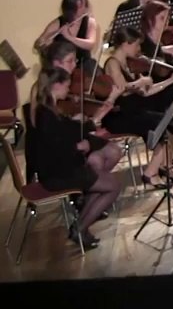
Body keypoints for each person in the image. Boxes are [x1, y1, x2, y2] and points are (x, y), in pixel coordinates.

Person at [26, 66, 124, 250]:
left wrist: (80, 137)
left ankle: (80, 226)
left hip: (59, 168)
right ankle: (79, 228)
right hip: (58, 174)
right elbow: (58, 145)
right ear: (56, 85)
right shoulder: (46, 114)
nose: (69, 89)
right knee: (113, 187)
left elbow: (62, 133)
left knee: (103, 180)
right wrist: (78, 146)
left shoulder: (45, 109)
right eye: (67, 85)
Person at [102, 27, 173, 187]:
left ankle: (162, 167)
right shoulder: (112, 64)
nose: (138, 49)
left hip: (134, 111)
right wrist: (139, 82)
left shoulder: (130, 64)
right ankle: (151, 173)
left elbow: (146, 92)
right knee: (164, 127)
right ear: (125, 45)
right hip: (119, 116)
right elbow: (122, 90)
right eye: (136, 45)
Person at [35, 0, 100, 72]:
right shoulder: (58, 22)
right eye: (80, 5)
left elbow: (90, 44)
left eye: (84, 4)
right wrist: (53, 35)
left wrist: (69, 37)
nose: (84, 8)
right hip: (62, 69)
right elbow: (38, 44)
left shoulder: (90, 22)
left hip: (83, 67)